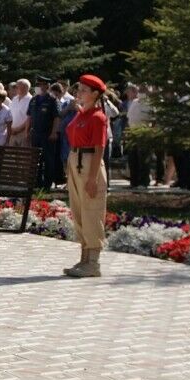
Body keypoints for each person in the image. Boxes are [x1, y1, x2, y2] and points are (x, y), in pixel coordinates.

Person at [62, 75, 111, 277]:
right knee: (80, 211)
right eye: (78, 89)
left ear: (95, 94)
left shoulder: (98, 117)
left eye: (83, 90)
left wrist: (92, 179)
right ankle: (83, 259)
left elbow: (100, 148)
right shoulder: (81, 114)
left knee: (92, 211)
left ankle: (93, 263)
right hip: (76, 160)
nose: (78, 93)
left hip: (89, 163)